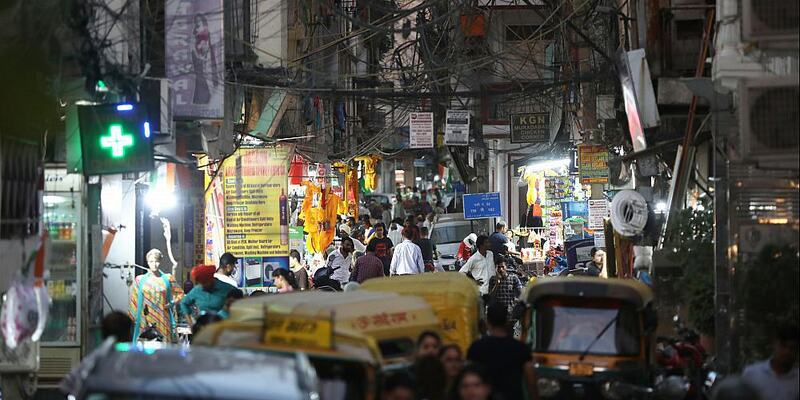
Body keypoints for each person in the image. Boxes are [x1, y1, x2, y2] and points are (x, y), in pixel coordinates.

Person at [467, 302, 538, 400]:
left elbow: (469, 375)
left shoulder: (477, 347)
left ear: (488, 321)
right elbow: (531, 379)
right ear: (506, 321)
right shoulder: (520, 348)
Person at [129, 249, 184, 342]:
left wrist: (172, 303)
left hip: (163, 317)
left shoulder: (167, 278)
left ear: (160, 261)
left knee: (163, 345)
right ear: (147, 262)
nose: (154, 264)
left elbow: (180, 293)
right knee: (145, 347)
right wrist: (133, 320)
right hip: (145, 318)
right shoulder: (140, 280)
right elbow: (134, 301)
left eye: (156, 261)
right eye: (151, 261)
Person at [742, 324, 799, 400]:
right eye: (783, 346)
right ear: (774, 344)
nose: (787, 352)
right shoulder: (752, 373)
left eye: (792, 348)